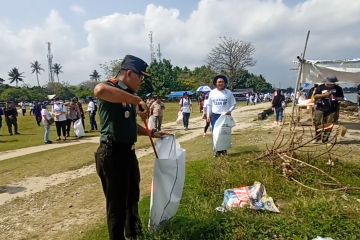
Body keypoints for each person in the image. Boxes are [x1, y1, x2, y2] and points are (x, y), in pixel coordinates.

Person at [93, 54, 166, 240]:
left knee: (132, 198)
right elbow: (99, 90)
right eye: (140, 77)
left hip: (127, 153)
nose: (141, 81)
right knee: (116, 205)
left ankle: (134, 234)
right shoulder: (111, 88)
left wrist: (150, 132)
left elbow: (129, 125)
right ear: (128, 73)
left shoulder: (128, 94)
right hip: (112, 153)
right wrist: (137, 100)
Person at [206, 75, 236, 156]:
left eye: (222, 82)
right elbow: (209, 105)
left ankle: (224, 150)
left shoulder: (228, 92)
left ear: (225, 83)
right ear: (216, 83)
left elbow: (234, 103)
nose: (221, 83)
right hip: (215, 116)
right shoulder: (212, 93)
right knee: (215, 133)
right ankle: (217, 151)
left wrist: (229, 111)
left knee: (224, 133)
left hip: (225, 116)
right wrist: (208, 116)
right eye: (219, 82)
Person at [313, 76, 344, 143]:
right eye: (329, 84)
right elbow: (315, 96)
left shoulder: (338, 88)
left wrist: (335, 98)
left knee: (329, 124)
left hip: (332, 109)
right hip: (320, 108)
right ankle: (317, 138)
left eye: (332, 84)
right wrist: (324, 95)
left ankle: (325, 139)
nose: (330, 85)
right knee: (317, 123)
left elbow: (341, 98)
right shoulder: (320, 87)